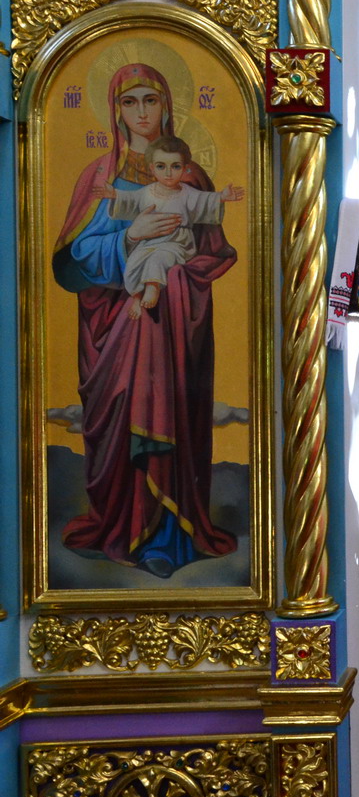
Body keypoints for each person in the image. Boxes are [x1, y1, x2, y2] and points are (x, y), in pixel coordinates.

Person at [54, 62, 239, 577]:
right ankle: (118, 525)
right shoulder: (99, 179)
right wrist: (130, 237)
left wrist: (175, 277)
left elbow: (213, 253)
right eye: (129, 102)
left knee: (170, 416)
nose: (141, 112)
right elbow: (71, 262)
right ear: (114, 110)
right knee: (117, 420)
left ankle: (169, 538)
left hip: (172, 326)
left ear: (167, 105)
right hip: (111, 328)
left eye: (150, 100)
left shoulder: (191, 178)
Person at [95, 135, 244, 319]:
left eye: (175, 166)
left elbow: (205, 201)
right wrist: (115, 194)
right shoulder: (147, 192)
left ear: (185, 168)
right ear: (151, 168)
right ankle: (136, 298)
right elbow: (131, 200)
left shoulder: (188, 194)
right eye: (161, 166)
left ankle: (153, 287)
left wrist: (222, 197)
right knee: (132, 264)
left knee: (158, 259)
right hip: (149, 243)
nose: (168, 173)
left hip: (177, 244)